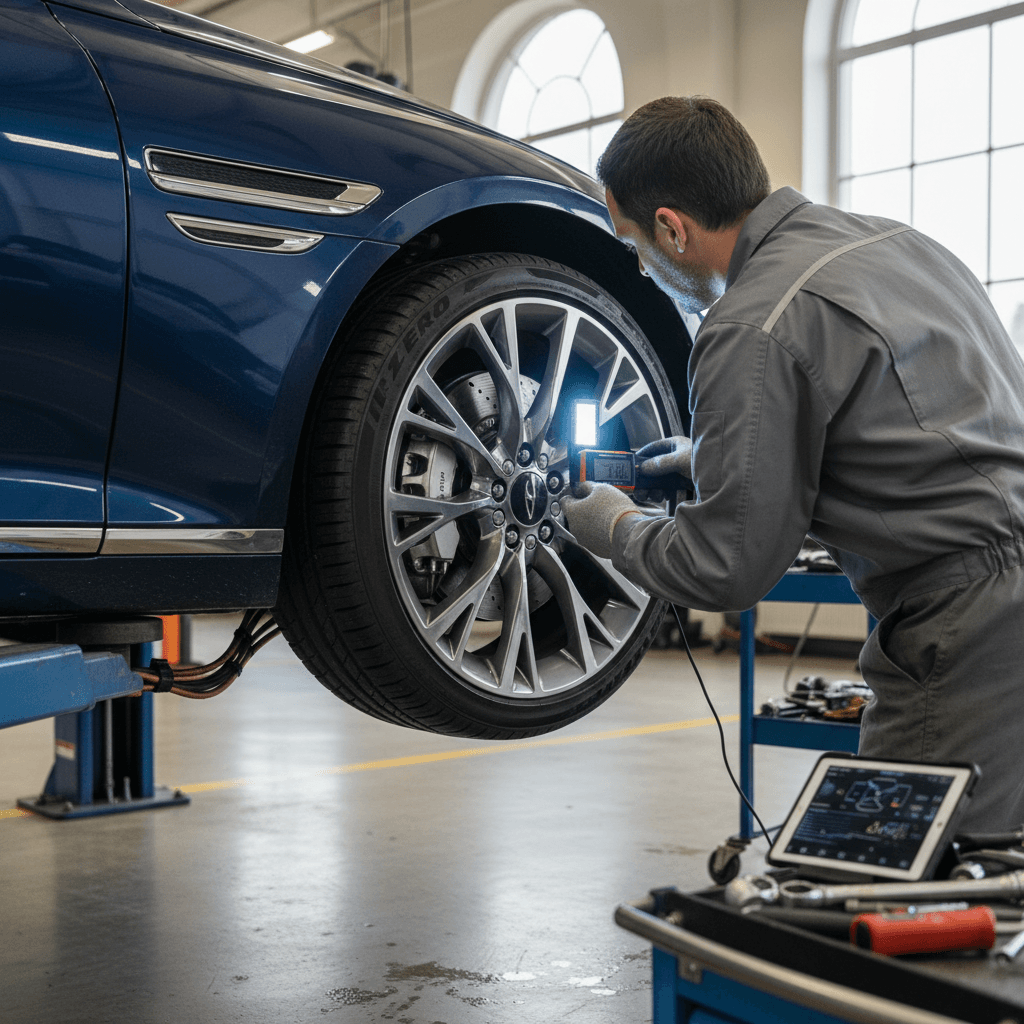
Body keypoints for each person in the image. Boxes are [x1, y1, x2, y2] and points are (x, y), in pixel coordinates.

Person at [562, 95, 1024, 832]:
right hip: (998, 582)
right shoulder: (902, 244)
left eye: (634, 247)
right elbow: (916, 429)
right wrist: (719, 459)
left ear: (672, 229)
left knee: (901, 876)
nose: (642, 272)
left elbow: (727, 569)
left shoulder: (749, 324)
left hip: (971, 624)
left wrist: (615, 525)